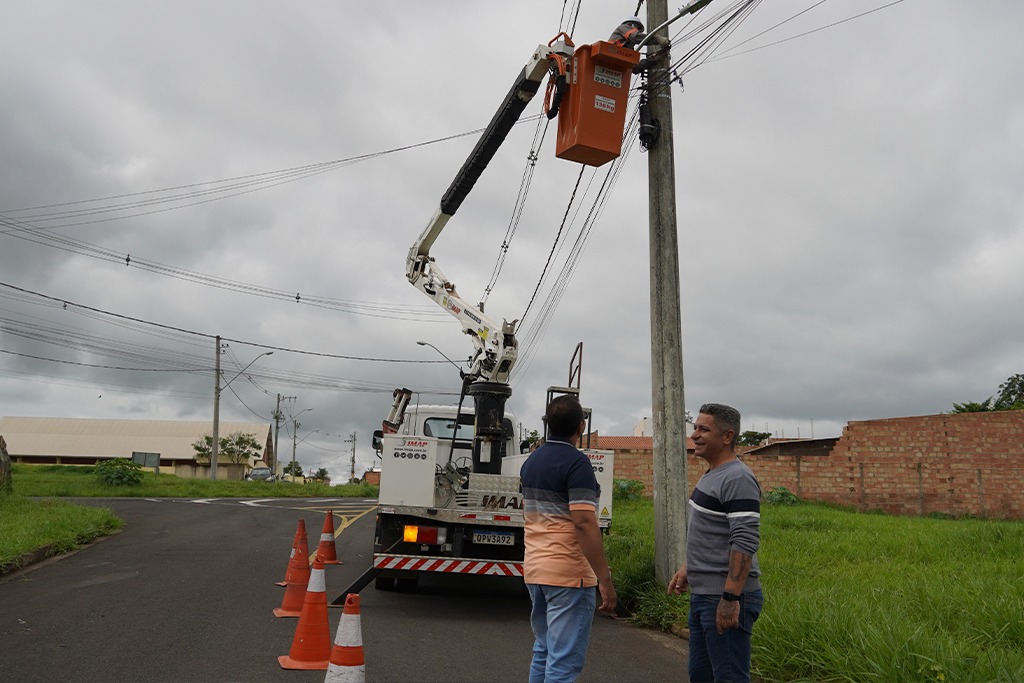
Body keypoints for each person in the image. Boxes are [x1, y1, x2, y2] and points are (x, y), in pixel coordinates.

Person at [520, 394, 616, 682]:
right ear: (581, 426)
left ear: (548, 424)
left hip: (535, 570)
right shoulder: (577, 464)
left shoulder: (531, 462)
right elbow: (585, 523)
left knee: (544, 649)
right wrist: (605, 580)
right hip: (569, 574)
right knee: (563, 662)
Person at [668, 403, 763, 683]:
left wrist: (731, 598)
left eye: (703, 429)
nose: (695, 435)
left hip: (726, 597)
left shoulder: (738, 478)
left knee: (729, 677)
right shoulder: (712, 474)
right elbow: (711, 532)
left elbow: (744, 539)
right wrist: (689, 567)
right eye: (695, 428)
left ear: (727, 436)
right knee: (701, 675)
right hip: (704, 594)